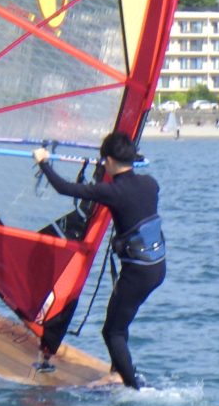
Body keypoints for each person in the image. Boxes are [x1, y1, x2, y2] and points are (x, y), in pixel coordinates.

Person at [32, 131, 166, 389]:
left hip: (137, 273)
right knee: (120, 321)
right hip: (156, 268)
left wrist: (43, 162)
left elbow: (64, 188)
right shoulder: (150, 184)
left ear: (110, 160)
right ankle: (118, 371)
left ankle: (132, 388)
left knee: (111, 332)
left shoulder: (112, 192)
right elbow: (131, 184)